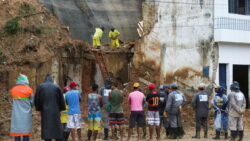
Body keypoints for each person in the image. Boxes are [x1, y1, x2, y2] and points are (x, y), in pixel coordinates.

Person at [35, 74, 66, 141]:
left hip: (45, 112)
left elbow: (37, 99)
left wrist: (39, 108)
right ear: (51, 79)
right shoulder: (56, 87)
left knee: (47, 130)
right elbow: (61, 100)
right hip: (55, 111)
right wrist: (61, 109)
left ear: (45, 79)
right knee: (57, 129)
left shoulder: (40, 87)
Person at [10, 74, 34, 141]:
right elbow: (32, 102)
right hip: (26, 114)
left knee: (16, 132)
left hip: (16, 114)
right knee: (25, 132)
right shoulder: (29, 90)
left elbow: (12, 101)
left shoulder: (13, 89)